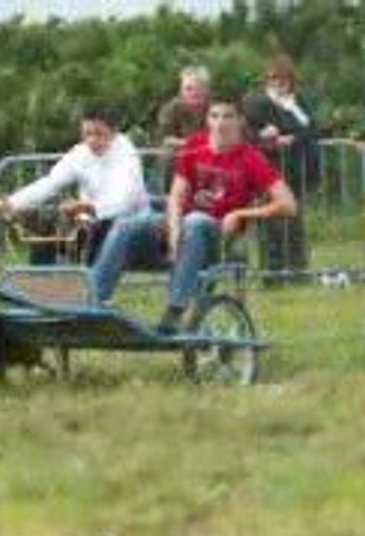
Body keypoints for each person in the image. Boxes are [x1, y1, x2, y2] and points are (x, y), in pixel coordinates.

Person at [90, 95, 298, 333]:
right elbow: (177, 196)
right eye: (214, 116)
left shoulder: (252, 158)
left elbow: (288, 204)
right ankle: (93, 301)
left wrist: (242, 213)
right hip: (183, 227)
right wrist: (174, 231)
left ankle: (176, 309)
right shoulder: (195, 146)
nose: (220, 123)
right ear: (207, 120)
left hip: (218, 237)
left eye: (227, 116)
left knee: (196, 221)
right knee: (128, 224)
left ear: (240, 121)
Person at [0, 107, 150, 265]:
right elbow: (50, 183)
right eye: (86, 134)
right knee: (45, 235)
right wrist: (13, 202)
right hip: (91, 225)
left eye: (99, 133)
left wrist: (87, 208)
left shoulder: (128, 156)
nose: (91, 140)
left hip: (130, 228)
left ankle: (87, 282)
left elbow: (123, 203)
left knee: (91, 233)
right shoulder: (79, 154)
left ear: (114, 132)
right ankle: (41, 285)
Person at [243, 54, 320, 277]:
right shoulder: (255, 101)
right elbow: (248, 132)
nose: (280, 84)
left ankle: (298, 271)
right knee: (270, 222)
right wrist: (265, 135)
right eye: (275, 79)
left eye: (285, 80)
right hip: (267, 171)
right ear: (268, 80)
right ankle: (272, 273)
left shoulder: (298, 102)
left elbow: (312, 128)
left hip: (295, 171)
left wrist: (293, 137)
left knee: (295, 222)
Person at [156, 65, 211, 191]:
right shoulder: (170, 109)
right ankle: (168, 195)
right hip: (182, 151)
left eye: (199, 88)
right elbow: (166, 138)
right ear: (181, 90)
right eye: (188, 89)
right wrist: (191, 143)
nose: (194, 92)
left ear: (206, 90)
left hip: (210, 151)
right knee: (168, 153)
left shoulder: (215, 108)